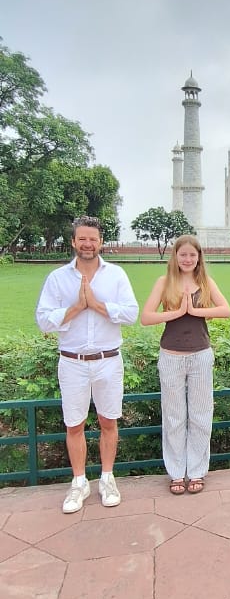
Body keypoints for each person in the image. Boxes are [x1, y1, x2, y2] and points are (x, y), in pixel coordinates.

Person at [35, 216, 139, 513]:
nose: (88, 244)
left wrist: (97, 305)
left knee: (108, 421)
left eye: (93, 239)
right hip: (72, 361)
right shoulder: (58, 278)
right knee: (74, 424)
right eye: (82, 238)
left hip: (107, 359)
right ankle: (79, 482)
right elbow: (43, 320)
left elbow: (131, 313)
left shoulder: (115, 275)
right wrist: (77, 308)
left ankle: (107, 478)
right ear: (73, 241)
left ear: (101, 242)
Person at [140, 235, 230, 494]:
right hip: (171, 356)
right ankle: (177, 472)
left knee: (201, 414)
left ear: (199, 257)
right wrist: (177, 312)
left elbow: (225, 310)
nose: (188, 259)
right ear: (175, 257)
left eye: (192, 255)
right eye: (183, 255)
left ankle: (197, 471)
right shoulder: (164, 282)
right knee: (174, 416)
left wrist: (195, 311)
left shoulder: (205, 282)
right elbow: (146, 317)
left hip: (200, 355)